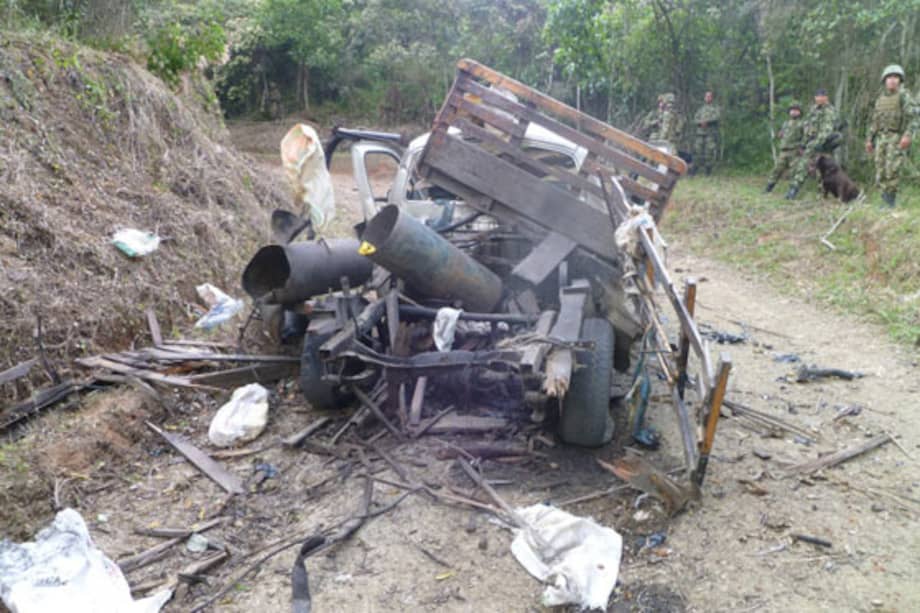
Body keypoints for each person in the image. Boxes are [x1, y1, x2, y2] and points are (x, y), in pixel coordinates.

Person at [865, 64, 920, 207]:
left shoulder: (904, 96)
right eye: (889, 77)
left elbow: (914, 117)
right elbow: (875, 120)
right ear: (884, 80)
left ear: (900, 80)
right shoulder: (880, 99)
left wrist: (907, 136)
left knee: (892, 169)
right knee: (881, 169)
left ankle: (890, 202)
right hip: (881, 138)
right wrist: (870, 139)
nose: (892, 80)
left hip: (896, 137)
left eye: (896, 77)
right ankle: (884, 200)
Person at [786, 88, 841, 200]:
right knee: (804, 164)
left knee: (823, 168)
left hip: (823, 144)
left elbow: (826, 130)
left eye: (821, 96)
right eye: (817, 96)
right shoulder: (813, 110)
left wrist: (816, 144)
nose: (818, 98)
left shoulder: (829, 111)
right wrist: (803, 143)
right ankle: (793, 190)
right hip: (812, 141)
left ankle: (824, 194)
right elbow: (808, 127)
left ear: (826, 98)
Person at [765, 100, 805, 193]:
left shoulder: (802, 123)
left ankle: (792, 191)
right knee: (777, 170)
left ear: (799, 112)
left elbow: (806, 137)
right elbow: (782, 134)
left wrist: (802, 147)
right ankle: (769, 187)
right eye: (792, 110)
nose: (793, 112)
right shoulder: (786, 123)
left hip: (795, 151)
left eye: (796, 110)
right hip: (784, 151)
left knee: (794, 172)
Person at [691, 90, 721, 175]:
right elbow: (695, 119)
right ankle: (694, 170)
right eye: (706, 96)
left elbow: (717, 117)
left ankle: (708, 171)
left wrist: (707, 122)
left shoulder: (715, 108)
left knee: (709, 152)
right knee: (697, 150)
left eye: (709, 96)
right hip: (700, 133)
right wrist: (700, 122)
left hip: (710, 133)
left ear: (712, 98)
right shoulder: (701, 109)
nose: (707, 98)